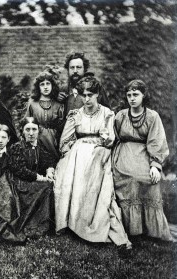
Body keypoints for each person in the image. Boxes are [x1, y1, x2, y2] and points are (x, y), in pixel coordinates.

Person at [54, 75, 131, 248]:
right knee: (67, 177)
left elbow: (110, 140)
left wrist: (105, 140)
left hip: (99, 153)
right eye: (84, 95)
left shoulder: (106, 114)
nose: (87, 99)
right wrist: (69, 154)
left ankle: (94, 227)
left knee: (98, 180)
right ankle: (74, 224)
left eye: (90, 95)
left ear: (97, 94)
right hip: (78, 153)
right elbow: (64, 142)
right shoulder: (75, 115)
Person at [0, 117, 57, 245]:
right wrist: (40, 177)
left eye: (34, 129)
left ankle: (38, 227)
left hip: (30, 182)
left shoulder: (40, 147)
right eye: (28, 129)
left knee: (47, 187)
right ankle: (20, 227)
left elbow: (48, 160)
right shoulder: (17, 147)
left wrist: (49, 170)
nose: (31, 133)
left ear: (38, 131)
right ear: (22, 131)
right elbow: (19, 169)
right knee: (41, 186)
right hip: (17, 182)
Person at [112, 79, 172, 241]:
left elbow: (156, 142)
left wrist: (155, 165)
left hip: (144, 157)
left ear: (143, 96)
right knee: (129, 179)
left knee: (147, 179)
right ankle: (129, 230)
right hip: (122, 157)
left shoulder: (152, 116)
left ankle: (150, 230)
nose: (132, 98)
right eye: (129, 95)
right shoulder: (121, 116)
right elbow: (114, 138)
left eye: (136, 94)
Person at [25, 70, 64, 161]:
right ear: (38, 87)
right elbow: (27, 122)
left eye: (48, 84)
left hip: (54, 141)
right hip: (37, 138)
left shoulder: (58, 104)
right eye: (42, 84)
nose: (45, 87)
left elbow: (62, 125)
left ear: (52, 86)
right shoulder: (32, 103)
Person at [59, 51, 110, 116]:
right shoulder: (63, 90)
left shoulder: (95, 87)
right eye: (72, 67)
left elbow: (106, 111)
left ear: (84, 69)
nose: (75, 71)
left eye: (78, 67)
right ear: (68, 69)